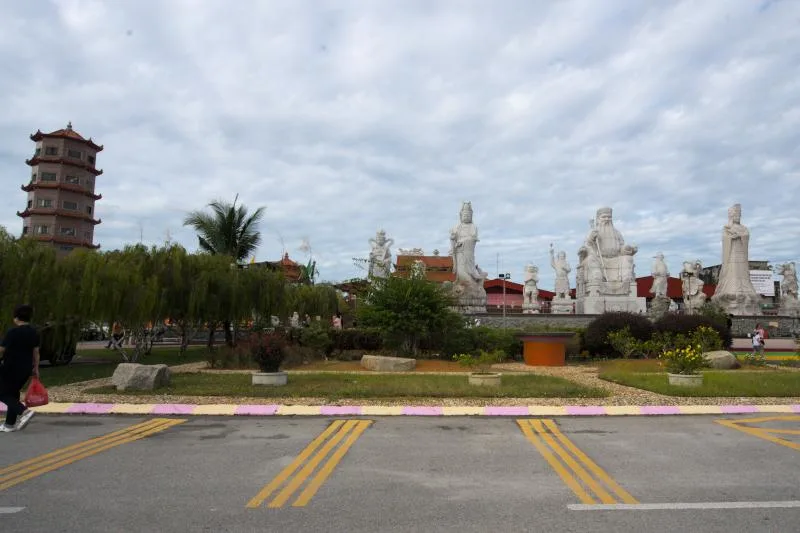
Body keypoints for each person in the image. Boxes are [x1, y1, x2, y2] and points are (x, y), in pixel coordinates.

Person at [0, 304, 41, 432]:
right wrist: (36, 368)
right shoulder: (34, 332)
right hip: (26, 368)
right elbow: (36, 352)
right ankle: (9, 424)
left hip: (10, 367)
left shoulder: (12, 332)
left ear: (16, 318)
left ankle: (24, 411)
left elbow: (1, 350)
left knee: (2, 393)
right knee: (13, 393)